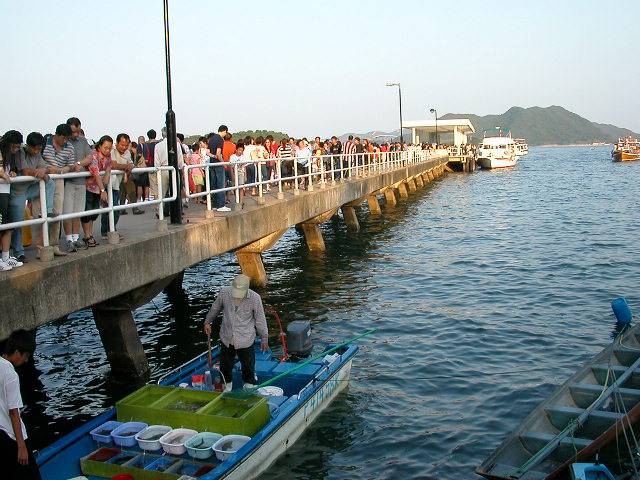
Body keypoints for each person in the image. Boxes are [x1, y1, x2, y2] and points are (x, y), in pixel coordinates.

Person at [203, 274, 268, 391]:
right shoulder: (224, 292)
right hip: (227, 337)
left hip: (245, 339)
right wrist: (208, 322)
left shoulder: (255, 298)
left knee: (248, 366)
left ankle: (249, 385)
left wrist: (264, 338)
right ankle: (226, 384)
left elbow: (260, 319)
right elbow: (215, 308)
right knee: (225, 365)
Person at [0, 329, 41, 480]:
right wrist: (21, 446)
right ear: (17, 352)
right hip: (12, 437)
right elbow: (14, 412)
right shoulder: (10, 374)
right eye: (26, 356)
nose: (26, 360)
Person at [9, 132, 55, 263]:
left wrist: (44, 171)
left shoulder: (38, 154)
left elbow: (46, 168)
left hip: (29, 189)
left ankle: (47, 211)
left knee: (50, 183)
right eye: (34, 149)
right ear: (28, 145)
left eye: (39, 149)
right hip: (18, 192)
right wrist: (38, 172)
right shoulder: (20, 152)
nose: (36, 152)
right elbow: (25, 170)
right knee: (18, 223)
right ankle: (19, 253)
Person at [41, 124, 76, 257]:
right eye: (63, 138)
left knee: (56, 213)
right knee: (40, 212)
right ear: (56, 135)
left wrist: (62, 169)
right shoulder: (45, 143)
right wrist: (48, 170)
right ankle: (41, 247)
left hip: (58, 179)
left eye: (67, 139)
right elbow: (37, 160)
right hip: (43, 180)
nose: (65, 141)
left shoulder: (70, 147)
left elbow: (71, 166)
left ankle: (54, 245)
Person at [65, 118, 94, 252]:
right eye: (73, 132)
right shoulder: (64, 141)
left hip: (81, 181)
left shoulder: (83, 141)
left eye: (78, 131)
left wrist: (78, 164)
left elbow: (90, 157)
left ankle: (76, 238)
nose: (75, 134)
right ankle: (69, 239)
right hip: (67, 182)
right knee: (67, 212)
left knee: (78, 211)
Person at [80, 135, 112, 247]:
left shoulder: (108, 156)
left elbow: (109, 167)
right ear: (99, 147)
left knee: (94, 212)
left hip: (97, 188)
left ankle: (90, 235)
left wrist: (106, 178)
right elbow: (96, 173)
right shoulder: (93, 155)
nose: (108, 150)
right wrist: (103, 190)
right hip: (89, 187)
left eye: (110, 148)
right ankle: (87, 236)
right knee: (87, 212)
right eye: (105, 148)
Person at [101, 134, 134, 238]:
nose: (124, 147)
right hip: (108, 184)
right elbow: (114, 165)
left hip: (117, 184)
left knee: (115, 208)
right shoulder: (112, 151)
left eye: (126, 145)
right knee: (110, 208)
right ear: (117, 143)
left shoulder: (127, 153)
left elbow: (131, 165)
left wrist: (128, 169)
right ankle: (107, 231)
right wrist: (127, 167)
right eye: (122, 145)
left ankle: (111, 229)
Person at [0, 131, 23, 271]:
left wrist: (13, 172)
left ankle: (5, 257)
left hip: (6, 193)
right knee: (1, 226)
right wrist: (3, 174)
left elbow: (10, 170)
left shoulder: (10, 156)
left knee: (7, 226)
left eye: (18, 147)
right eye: (14, 146)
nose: (15, 149)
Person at [208, 125, 230, 212]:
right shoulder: (220, 139)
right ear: (224, 131)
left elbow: (208, 152)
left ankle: (214, 205)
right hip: (218, 164)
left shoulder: (212, 139)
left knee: (213, 184)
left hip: (212, 163)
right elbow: (218, 153)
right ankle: (221, 205)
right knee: (220, 184)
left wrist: (213, 157)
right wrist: (223, 163)